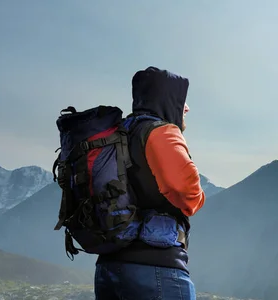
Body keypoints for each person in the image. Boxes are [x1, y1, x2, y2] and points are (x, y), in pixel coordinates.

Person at [93, 66, 206, 300]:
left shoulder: (118, 134)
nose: (186, 108)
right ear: (167, 100)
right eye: (181, 100)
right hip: (156, 269)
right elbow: (187, 193)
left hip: (109, 268)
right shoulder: (162, 132)